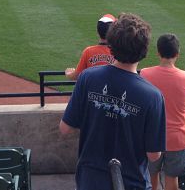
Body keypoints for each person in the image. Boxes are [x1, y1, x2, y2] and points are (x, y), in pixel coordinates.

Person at [60, 13, 166, 190]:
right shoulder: (153, 96)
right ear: (144, 51)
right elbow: (154, 155)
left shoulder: (87, 78)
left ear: (111, 44)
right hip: (132, 182)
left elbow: (65, 128)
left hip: (90, 181)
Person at [141, 34, 185, 190]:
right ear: (177, 53)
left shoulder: (145, 74)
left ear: (158, 52)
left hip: (151, 137)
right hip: (177, 138)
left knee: (150, 181)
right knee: (172, 182)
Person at [65, 14, 116, 80]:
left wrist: (69, 73)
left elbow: (77, 76)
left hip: (93, 89)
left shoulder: (88, 51)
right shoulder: (118, 52)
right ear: (113, 33)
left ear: (97, 32)